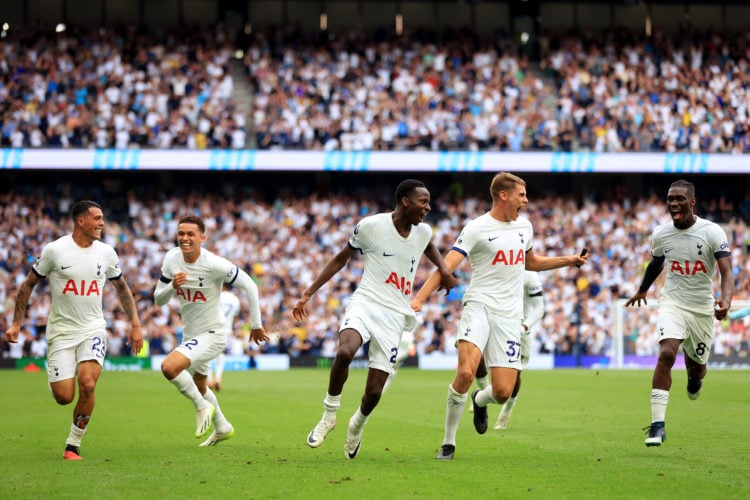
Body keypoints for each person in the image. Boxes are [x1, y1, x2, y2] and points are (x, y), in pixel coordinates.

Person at [411, 172, 588, 460]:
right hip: (479, 305)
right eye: (522, 195)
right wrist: (419, 298)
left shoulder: (525, 227)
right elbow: (447, 267)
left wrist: (569, 260)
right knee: (466, 372)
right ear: (504, 195)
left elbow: (531, 262)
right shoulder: (477, 228)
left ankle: (480, 401)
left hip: (509, 315)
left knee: (504, 392)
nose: (526, 200)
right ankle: (448, 442)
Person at [293, 179, 457, 459]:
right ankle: (329, 414)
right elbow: (340, 258)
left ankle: (356, 425)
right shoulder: (371, 226)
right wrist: (308, 292)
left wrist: (443, 269)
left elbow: (427, 245)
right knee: (345, 351)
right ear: (405, 201)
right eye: (423, 202)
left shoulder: (423, 231)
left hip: (395, 315)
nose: (428, 208)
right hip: (366, 302)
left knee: (374, 392)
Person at [1, 200, 143, 460]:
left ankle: (72, 445)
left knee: (88, 384)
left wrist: (135, 323)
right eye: (97, 218)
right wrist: (16, 323)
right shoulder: (55, 251)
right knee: (64, 397)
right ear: (81, 221)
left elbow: (121, 287)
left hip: (93, 328)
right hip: (61, 333)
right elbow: (27, 285)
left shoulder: (107, 253)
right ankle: (57, 376)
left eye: (102, 218)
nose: (102, 223)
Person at [625, 179, 733, 447]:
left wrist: (726, 299)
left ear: (692, 202)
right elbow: (657, 262)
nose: (673, 203)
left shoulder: (712, 231)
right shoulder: (661, 233)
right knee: (666, 353)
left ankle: (694, 380)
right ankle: (657, 426)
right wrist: (642, 289)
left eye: (679, 198)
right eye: (670, 198)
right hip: (672, 302)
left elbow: (726, 271)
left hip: (701, 309)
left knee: (696, 371)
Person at [154, 215, 269, 447]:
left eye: (190, 234)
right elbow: (159, 300)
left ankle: (201, 406)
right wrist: (171, 286)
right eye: (181, 233)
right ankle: (223, 427)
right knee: (199, 385)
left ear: (202, 238)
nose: (184, 238)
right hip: (191, 334)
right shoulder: (171, 259)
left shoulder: (214, 263)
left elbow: (249, 284)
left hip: (213, 334)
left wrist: (256, 324)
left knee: (169, 367)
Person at [470, 270, 545, 430]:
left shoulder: (529, 275)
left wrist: (524, 326)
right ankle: (483, 397)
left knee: (515, 373)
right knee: (477, 358)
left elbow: (539, 309)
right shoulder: (495, 265)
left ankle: (507, 410)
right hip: (493, 322)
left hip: (519, 329)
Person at [207, 284, 242, 392]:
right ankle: (218, 378)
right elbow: (236, 317)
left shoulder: (216, 296)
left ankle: (209, 380)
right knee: (220, 354)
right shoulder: (236, 300)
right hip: (226, 330)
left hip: (212, 328)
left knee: (207, 355)